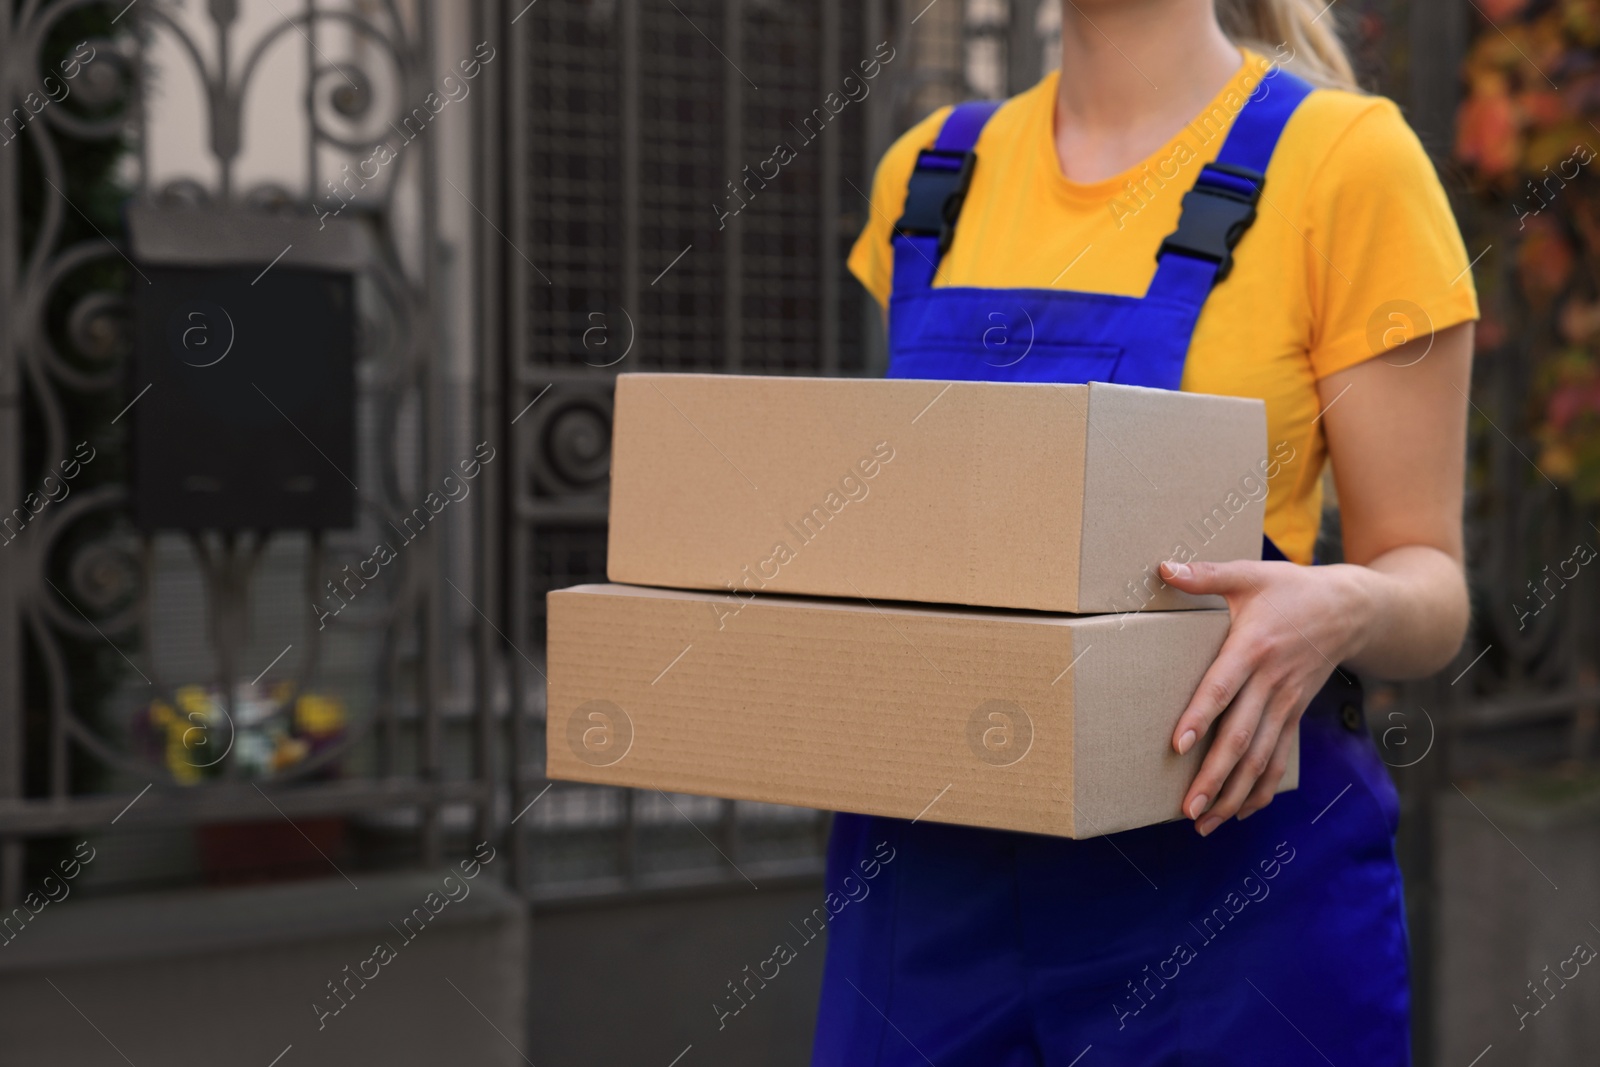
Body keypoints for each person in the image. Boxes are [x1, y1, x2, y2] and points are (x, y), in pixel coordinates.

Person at [812, 0, 1476, 1063]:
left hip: (1229, 887)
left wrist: (1343, 602)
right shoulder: (928, 175)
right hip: (924, 882)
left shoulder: (1346, 164)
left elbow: (1429, 584)